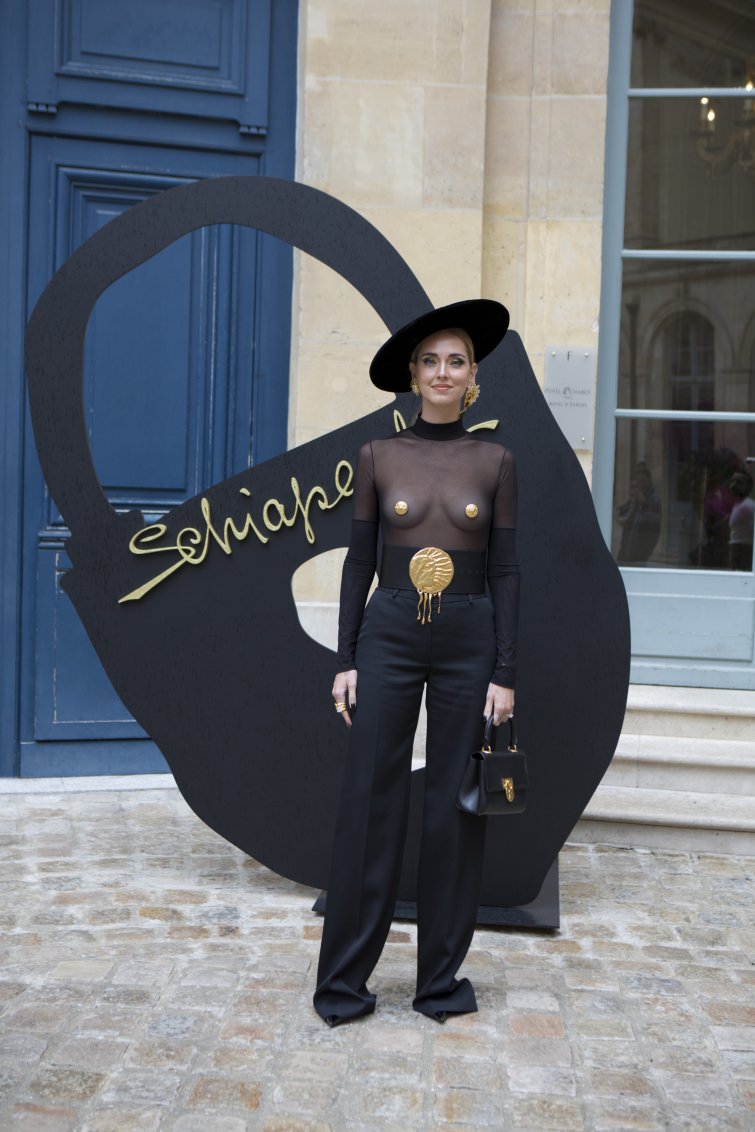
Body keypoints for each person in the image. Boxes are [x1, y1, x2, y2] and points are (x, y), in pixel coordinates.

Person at [313, 299, 519, 1026]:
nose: (442, 372)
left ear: (472, 378)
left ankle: (438, 985)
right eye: (429, 360)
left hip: (469, 636)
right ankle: (342, 986)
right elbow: (358, 562)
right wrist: (346, 658)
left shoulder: (495, 460)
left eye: (455, 360)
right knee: (369, 802)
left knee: (454, 811)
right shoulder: (379, 456)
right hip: (390, 633)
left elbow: (506, 573)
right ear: (411, 375)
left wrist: (504, 672)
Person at [616, 463, 661, 565]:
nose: (641, 485)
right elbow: (624, 516)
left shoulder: (655, 499)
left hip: (642, 549)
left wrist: (644, 504)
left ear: (649, 481)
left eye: (643, 481)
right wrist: (632, 502)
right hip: (628, 544)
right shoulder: (635, 497)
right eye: (638, 482)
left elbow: (656, 521)